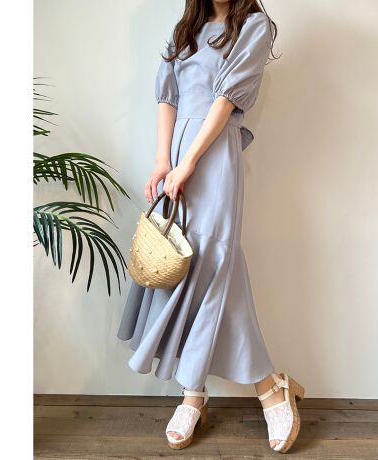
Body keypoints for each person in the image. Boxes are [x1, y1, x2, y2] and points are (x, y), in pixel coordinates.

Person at [117, 0, 306, 453]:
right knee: (182, 266)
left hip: (214, 154)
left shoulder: (254, 26)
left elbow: (225, 100)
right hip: (177, 157)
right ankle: (220, 390)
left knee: (215, 264)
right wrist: (163, 161)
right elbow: (168, 98)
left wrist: (189, 162)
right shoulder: (186, 28)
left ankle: (218, 392)